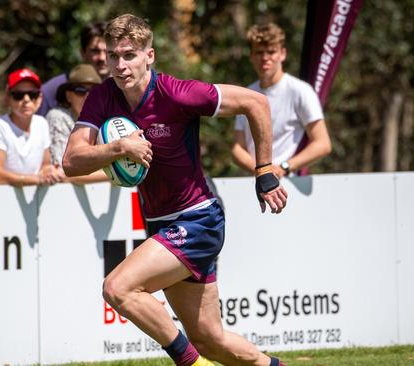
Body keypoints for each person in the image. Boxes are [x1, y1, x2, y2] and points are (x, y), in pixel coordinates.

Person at [63, 14, 288, 366]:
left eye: (129, 55)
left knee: (117, 288)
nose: (120, 65)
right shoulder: (102, 97)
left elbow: (255, 103)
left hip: (198, 219)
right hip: (160, 222)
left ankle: (191, 365)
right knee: (210, 340)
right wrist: (119, 148)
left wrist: (264, 171)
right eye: (113, 56)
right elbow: (71, 161)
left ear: (149, 56)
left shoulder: (176, 93)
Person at [232, 23, 331, 178]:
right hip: (251, 184)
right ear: (251, 56)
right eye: (259, 52)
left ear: (282, 54)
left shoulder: (300, 91)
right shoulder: (246, 94)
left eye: (271, 52)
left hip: (288, 183)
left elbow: (322, 144)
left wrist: (285, 167)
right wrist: (262, 171)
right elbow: (238, 148)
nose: (265, 58)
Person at [0, 68, 64, 186]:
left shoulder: (42, 124)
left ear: (40, 99)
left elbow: (44, 166)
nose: (26, 99)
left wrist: (50, 172)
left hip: (31, 200)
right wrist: (37, 179)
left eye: (32, 94)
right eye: (18, 95)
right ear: (7, 98)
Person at [46, 64, 107, 184]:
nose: (88, 96)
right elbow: (63, 173)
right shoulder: (58, 117)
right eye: (80, 91)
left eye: (94, 91)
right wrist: (115, 174)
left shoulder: (107, 119)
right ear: (68, 96)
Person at [37, 22, 110, 116]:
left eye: (107, 51)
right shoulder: (50, 91)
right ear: (82, 53)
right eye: (95, 51)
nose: (102, 58)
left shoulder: (124, 87)